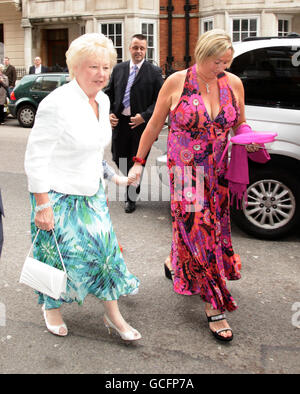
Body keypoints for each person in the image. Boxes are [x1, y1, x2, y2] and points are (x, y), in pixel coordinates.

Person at [129, 29, 259, 342]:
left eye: (226, 62)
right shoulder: (177, 82)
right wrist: (138, 161)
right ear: (200, 55)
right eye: (217, 61)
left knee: (210, 230)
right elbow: (155, 125)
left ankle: (175, 260)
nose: (222, 67)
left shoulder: (234, 83)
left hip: (219, 172)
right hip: (185, 171)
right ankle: (215, 305)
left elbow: (240, 123)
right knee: (200, 231)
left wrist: (249, 138)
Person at [24, 33, 141, 341]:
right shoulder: (56, 104)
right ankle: (51, 308)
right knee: (56, 257)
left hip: (91, 195)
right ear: (75, 67)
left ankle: (113, 315)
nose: (101, 74)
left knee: (105, 254)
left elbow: (93, 152)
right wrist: (42, 204)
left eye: (106, 67)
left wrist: (115, 176)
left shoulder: (102, 101)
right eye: (93, 67)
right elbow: (35, 158)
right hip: (57, 196)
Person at [105, 34, 164, 213]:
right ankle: (131, 179)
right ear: (129, 48)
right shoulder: (119, 69)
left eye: (142, 48)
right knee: (117, 156)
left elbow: (160, 101)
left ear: (146, 50)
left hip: (141, 127)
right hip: (120, 123)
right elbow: (108, 94)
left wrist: (144, 116)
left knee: (136, 160)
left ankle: (131, 195)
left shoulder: (153, 72)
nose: (138, 51)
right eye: (135, 47)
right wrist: (108, 113)